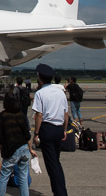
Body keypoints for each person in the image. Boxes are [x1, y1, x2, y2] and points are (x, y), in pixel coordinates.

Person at [32, 63, 68, 196]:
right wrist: (64, 130)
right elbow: (66, 114)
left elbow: (39, 115)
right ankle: (60, 191)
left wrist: (36, 133)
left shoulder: (40, 93)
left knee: (52, 164)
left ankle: (60, 193)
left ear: (40, 78)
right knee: (56, 162)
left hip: (47, 129)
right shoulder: (60, 92)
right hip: (58, 129)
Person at [0, 92, 36, 196]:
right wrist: (30, 149)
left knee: (4, 176)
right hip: (24, 148)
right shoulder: (21, 115)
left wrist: (0, 146)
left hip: (12, 149)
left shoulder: (3, 115)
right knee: (23, 178)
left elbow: (0, 135)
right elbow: (27, 135)